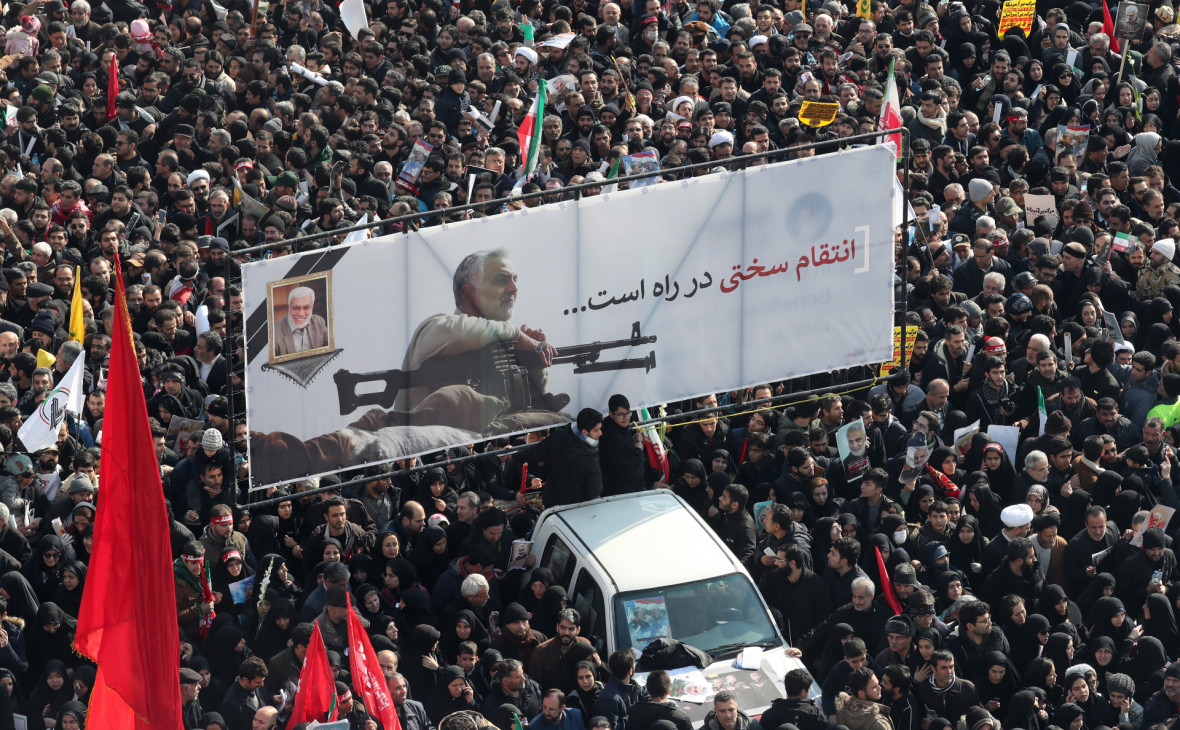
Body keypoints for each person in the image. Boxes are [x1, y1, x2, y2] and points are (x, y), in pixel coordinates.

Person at [272, 286, 329, 356]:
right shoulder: (274, 334)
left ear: (312, 307)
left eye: (306, 307)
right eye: (296, 308)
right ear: (289, 307)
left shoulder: (319, 321)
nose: (301, 314)